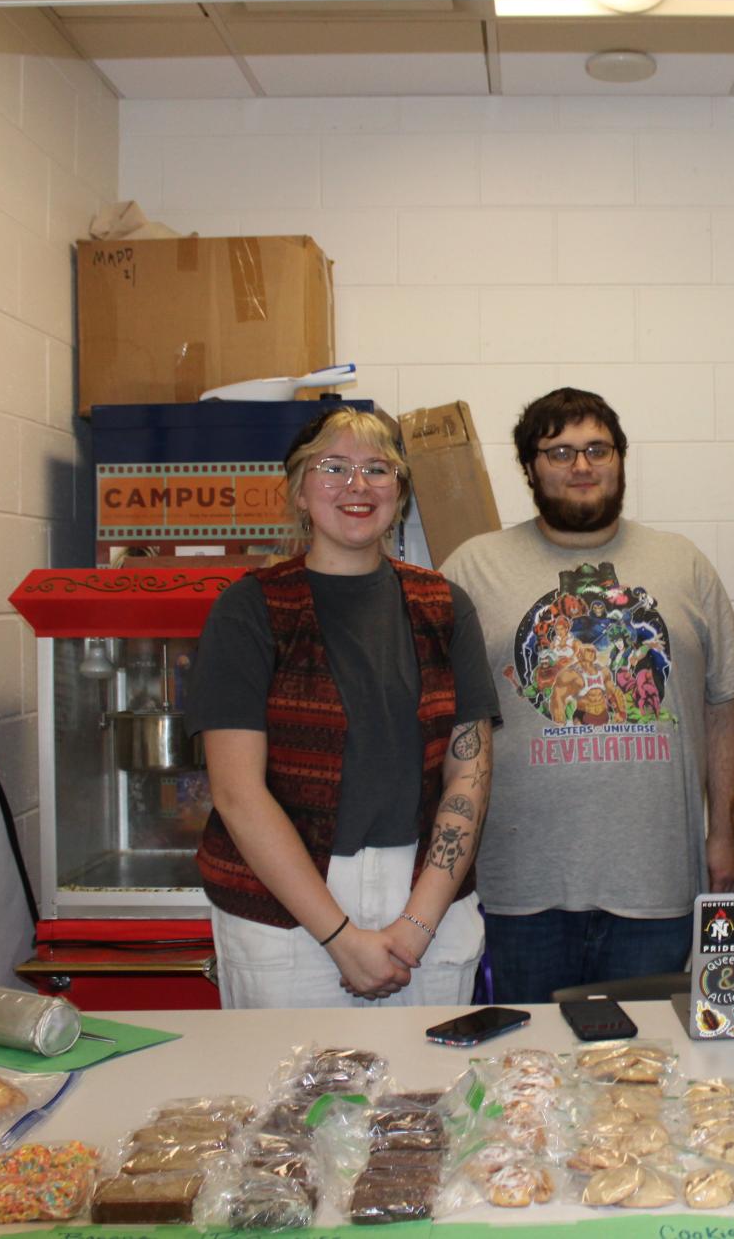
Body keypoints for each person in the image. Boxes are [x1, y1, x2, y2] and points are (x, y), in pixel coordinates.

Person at [439, 387, 734, 1002]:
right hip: (518, 886)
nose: (581, 466)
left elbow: (724, 712)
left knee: (641, 1075)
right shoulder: (472, 568)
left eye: (596, 449)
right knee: (529, 1075)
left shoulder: (684, 564)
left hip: (655, 882)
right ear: (529, 467)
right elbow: (442, 723)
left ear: (620, 459)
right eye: (559, 452)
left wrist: (724, 836)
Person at [188, 408, 500, 1008]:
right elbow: (237, 794)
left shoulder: (443, 605)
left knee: (429, 1098)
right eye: (334, 468)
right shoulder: (249, 611)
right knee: (291, 1101)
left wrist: (416, 925)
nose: (357, 486)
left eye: (378, 469)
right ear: (301, 492)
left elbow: (470, 774)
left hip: (427, 901)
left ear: (400, 493)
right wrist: (338, 936)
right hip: (288, 911)